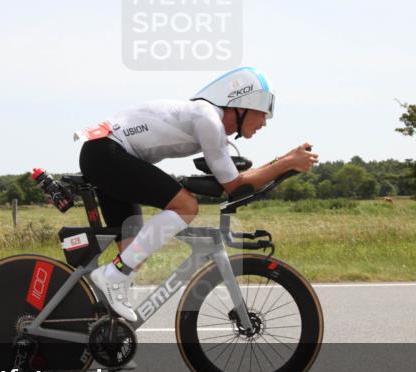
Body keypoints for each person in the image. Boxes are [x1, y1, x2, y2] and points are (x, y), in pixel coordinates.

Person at [74, 67, 318, 321]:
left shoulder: (207, 119)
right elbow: (235, 186)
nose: (264, 123)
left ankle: (107, 335)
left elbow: (236, 181)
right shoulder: (208, 119)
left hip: (105, 151)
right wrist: (287, 162)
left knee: (133, 254)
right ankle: (112, 277)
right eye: (263, 113)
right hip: (107, 152)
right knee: (186, 207)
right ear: (242, 105)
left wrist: (287, 160)